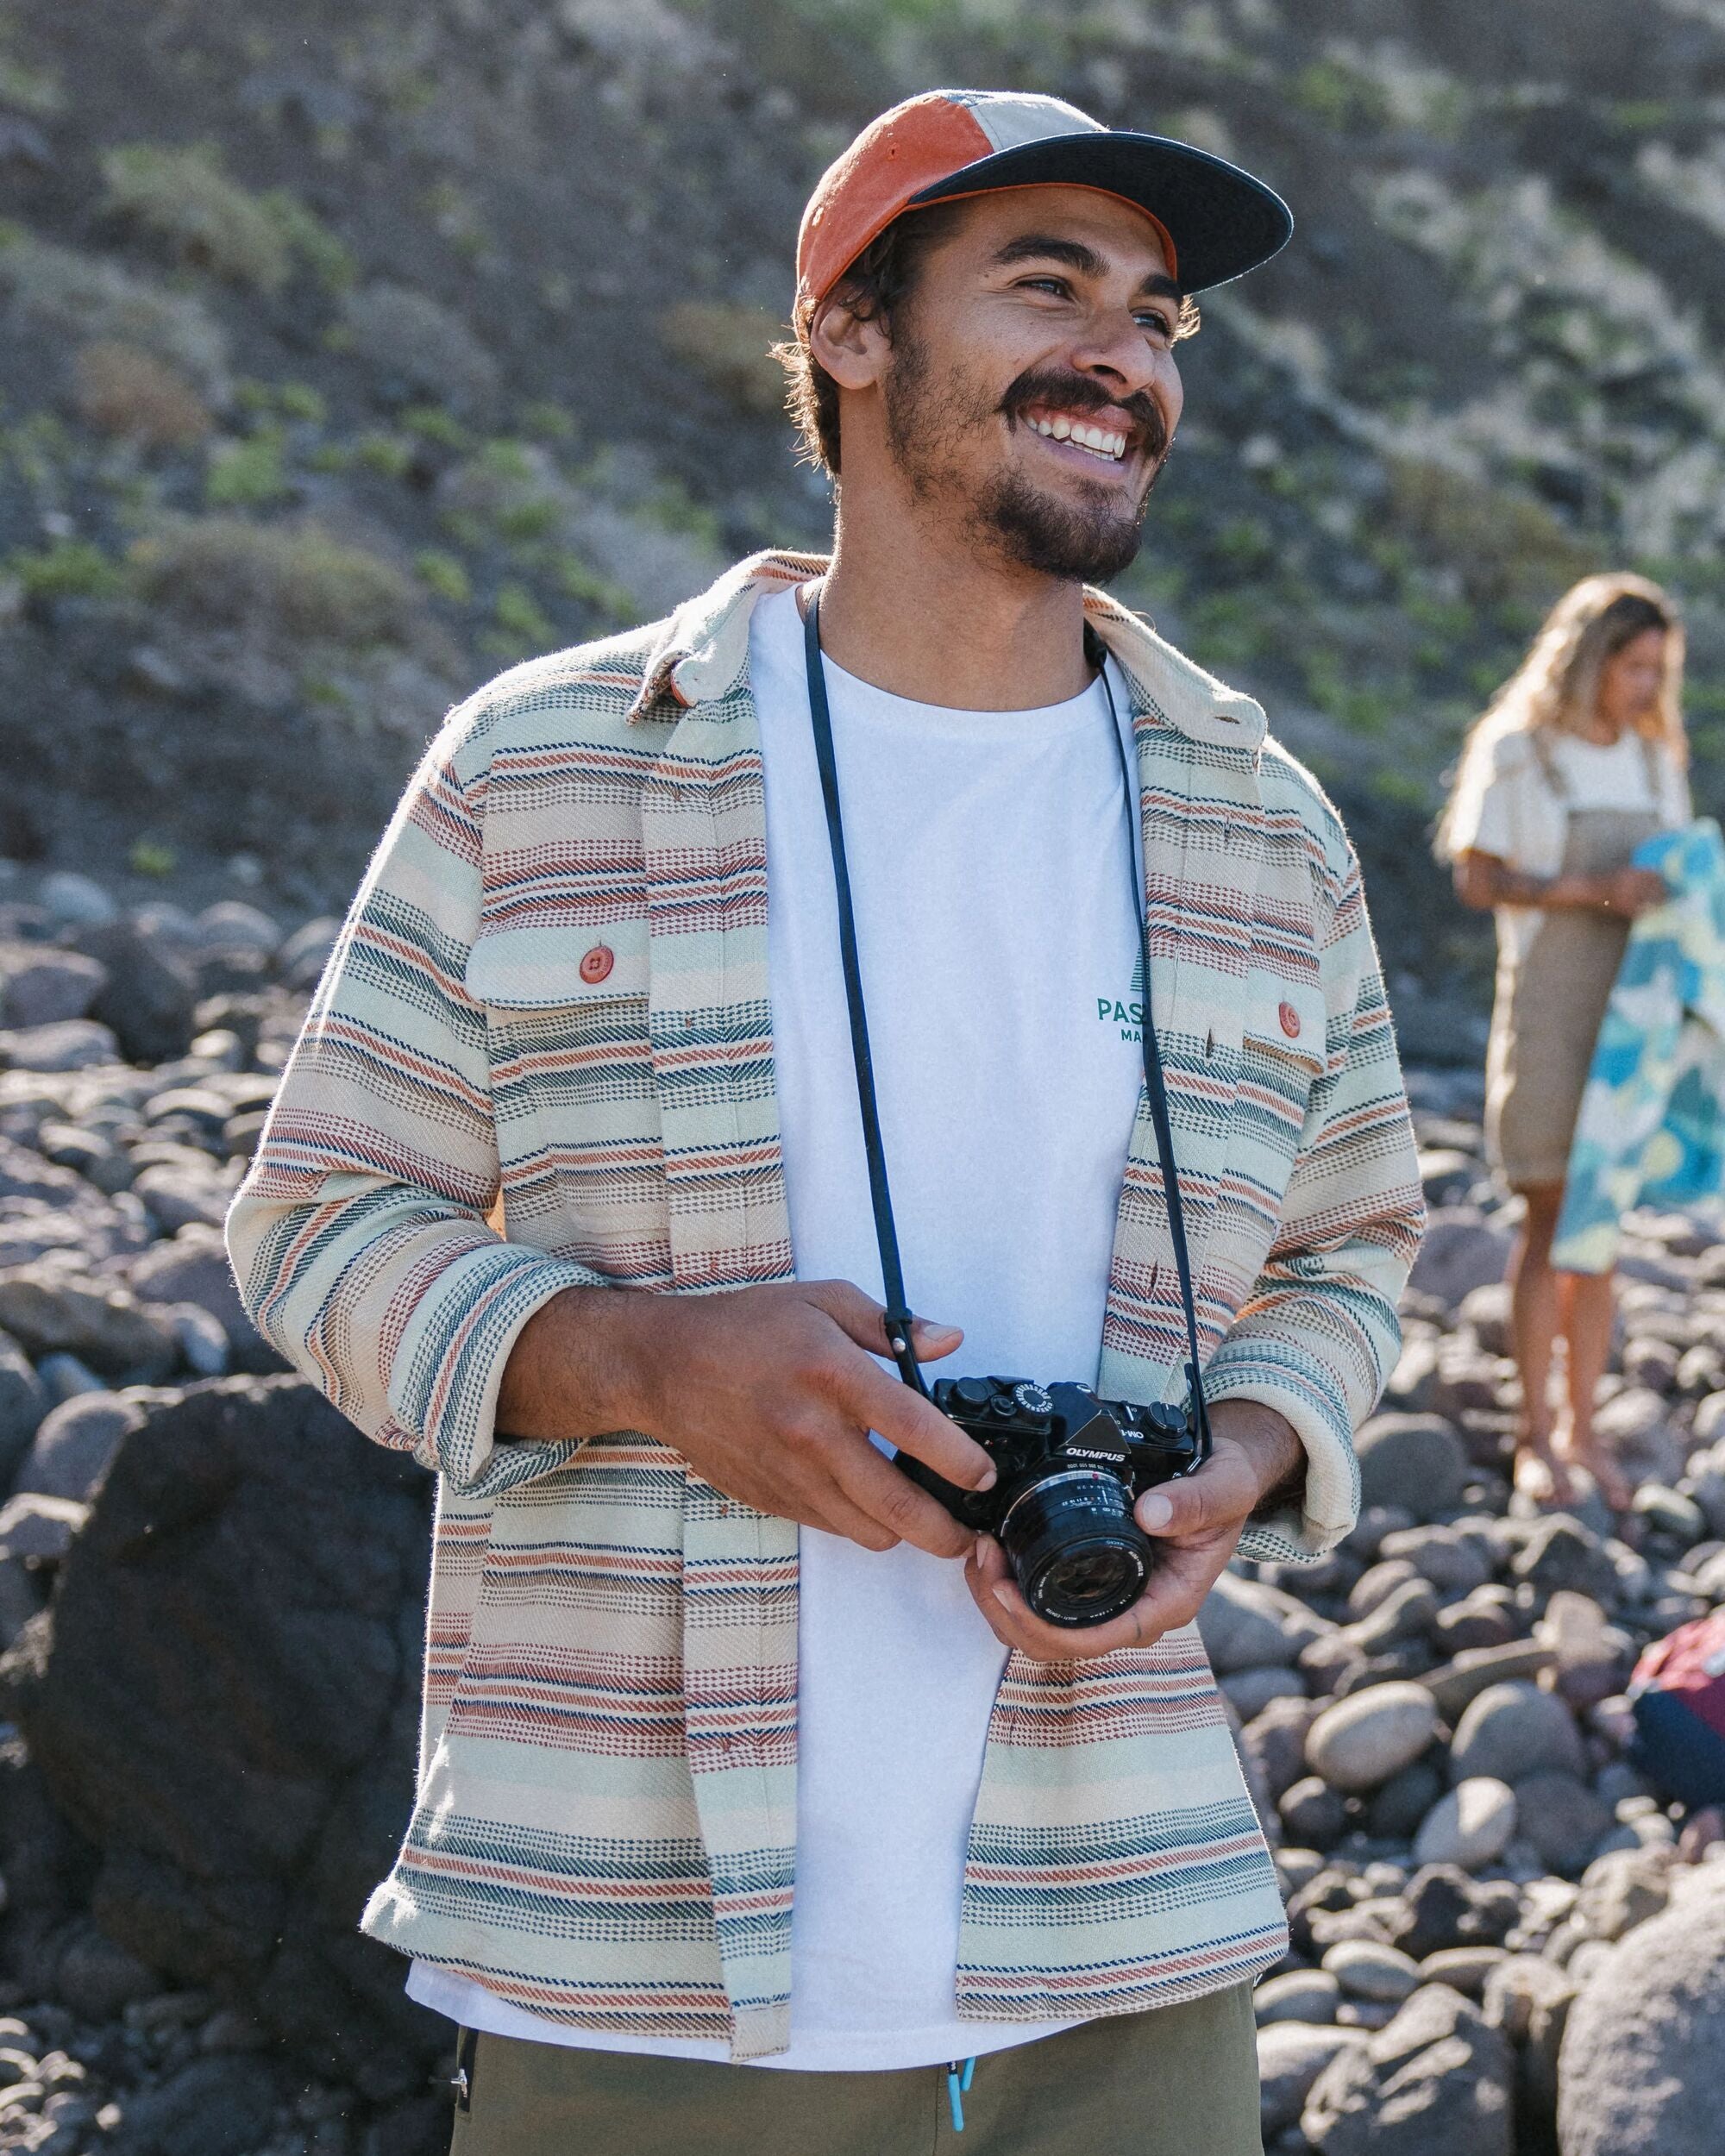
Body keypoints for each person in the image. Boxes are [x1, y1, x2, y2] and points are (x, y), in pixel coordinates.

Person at [228, 89, 1423, 2156]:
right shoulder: (540, 769)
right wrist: (639, 1368)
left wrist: (1236, 1457)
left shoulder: (1258, 820)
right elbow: (321, 1219)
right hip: (629, 1945)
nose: (1123, 355)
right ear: (847, 333)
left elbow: (1348, 1249)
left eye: (1154, 319)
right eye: (1044, 286)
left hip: (1119, 1948)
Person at [1440, 573, 1691, 1511]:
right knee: (1547, 1216)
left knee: (1602, 1229)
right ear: (1588, 657)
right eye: (1631, 666)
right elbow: (1475, 878)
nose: (1643, 686)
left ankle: (1584, 1431)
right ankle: (1533, 1438)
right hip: (1549, 1006)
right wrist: (1594, 887)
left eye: (1655, 670)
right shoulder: (1517, 750)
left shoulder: (1653, 756)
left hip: (1634, 1011)